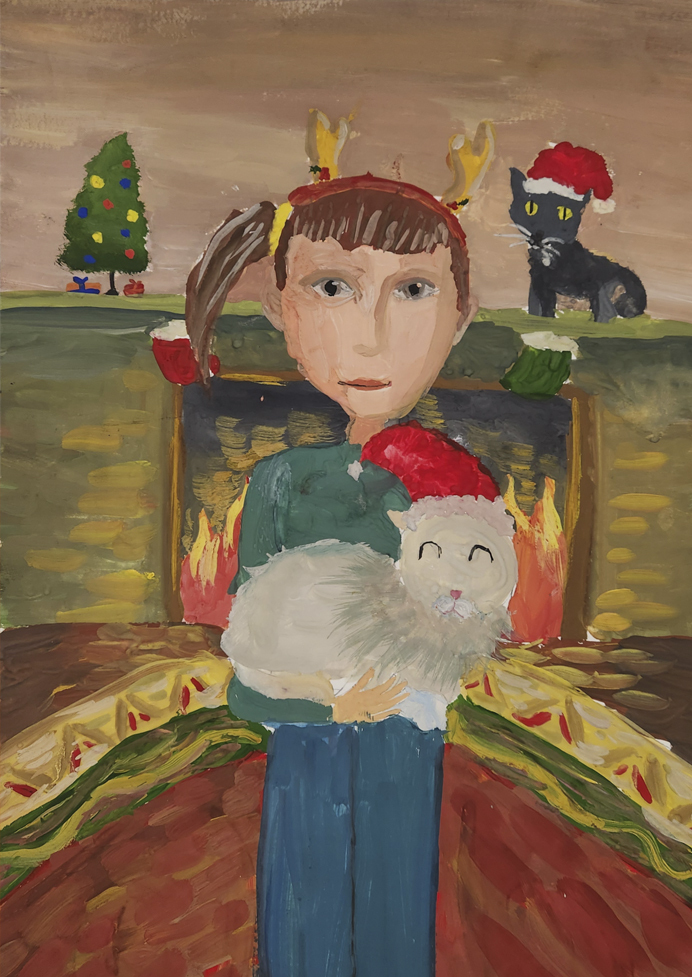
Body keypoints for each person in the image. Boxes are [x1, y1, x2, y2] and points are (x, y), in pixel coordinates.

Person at [184, 111, 496, 977]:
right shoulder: (282, 483)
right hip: (306, 745)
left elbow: (476, 626)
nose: (372, 331)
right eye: (332, 287)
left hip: (410, 742)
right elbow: (247, 674)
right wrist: (325, 707)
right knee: (303, 924)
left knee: (396, 923)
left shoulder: (451, 484)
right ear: (280, 308)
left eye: (414, 290)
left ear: (462, 315)